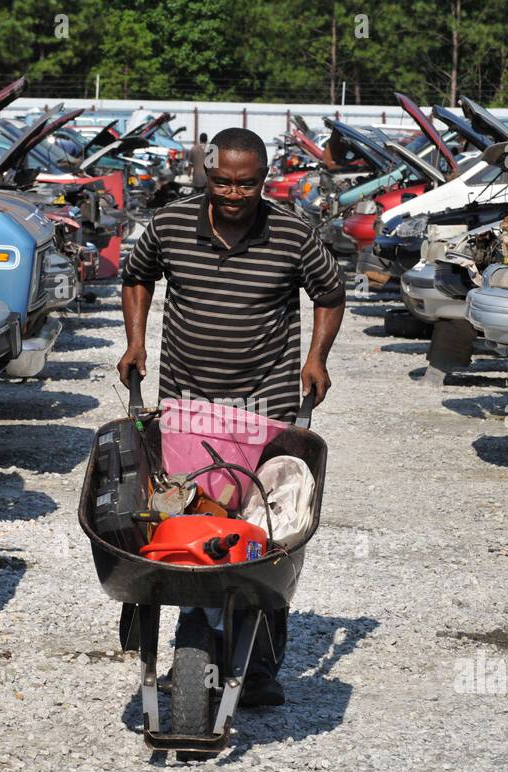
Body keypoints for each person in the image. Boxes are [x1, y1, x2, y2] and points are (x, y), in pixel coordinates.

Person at [117, 127, 346, 706]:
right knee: (186, 517)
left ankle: (262, 664)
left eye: (246, 183)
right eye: (221, 180)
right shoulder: (170, 224)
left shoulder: (293, 232)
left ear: (263, 180)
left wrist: (316, 357)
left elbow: (330, 291)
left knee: (266, 532)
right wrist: (135, 340)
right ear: (206, 175)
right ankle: (189, 649)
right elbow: (136, 275)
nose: (234, 193)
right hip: (187, 402)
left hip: (264, 403)